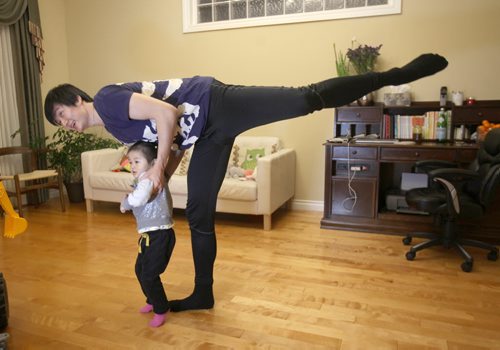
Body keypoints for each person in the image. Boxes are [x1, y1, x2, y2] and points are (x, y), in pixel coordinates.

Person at [44, 53, 448, 312]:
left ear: (78, 100)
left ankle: (396, 74)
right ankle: (204, 293)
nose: (67, 123)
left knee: (306, 98)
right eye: (59, 122)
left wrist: (157, 167)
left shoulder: (108, 100)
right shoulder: (116, 131)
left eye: (63, 113)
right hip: (206, 134)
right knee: (199, 212)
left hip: (216, 101)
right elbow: (178, 136)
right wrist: (159, 180)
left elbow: (167, 115)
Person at [120, 141, 175, 327]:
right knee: (140, 270)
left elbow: (140, 198)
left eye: (137, 161)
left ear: (152, 163)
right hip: (149, 237)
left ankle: (161, 308)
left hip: (159, 237)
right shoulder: (143, 179)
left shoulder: (148, 180)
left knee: (149, 275)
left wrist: (126, 202)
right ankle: (152, 299)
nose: (132, 166)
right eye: (130, 162)